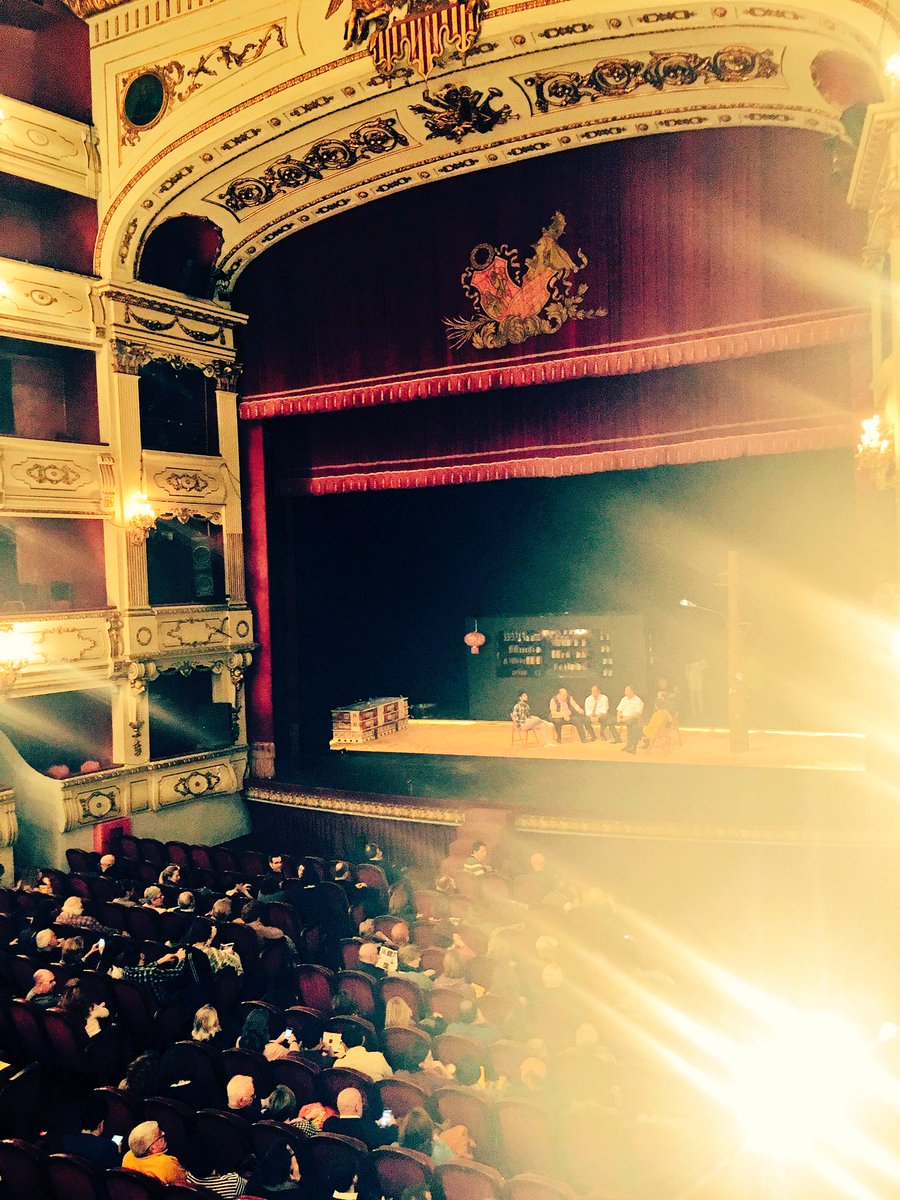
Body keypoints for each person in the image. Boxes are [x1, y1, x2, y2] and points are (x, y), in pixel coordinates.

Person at [323, 1086, 398, 1148]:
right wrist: (393, 1125)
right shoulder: (367, 1128)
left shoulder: (329, 1124)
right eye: (361, 1102)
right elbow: (388, 1137)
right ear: (356, 1106)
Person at [61, 1095, 121, 1170]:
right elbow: (115, 1172)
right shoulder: (109, 1147)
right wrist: (118, 1152)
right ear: (101, 1124)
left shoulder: (66, 1141)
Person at [122, 1120, 187, 1185]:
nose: (163, 1133)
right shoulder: (167, 1164)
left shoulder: (127, 1157)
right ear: (152, 1148)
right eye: (160, 1135)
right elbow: (185, 1185)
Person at [616, 685, 645, 754]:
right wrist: (618, 717)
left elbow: (638, 713)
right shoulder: (623, 699)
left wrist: (627, 718)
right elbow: (619, 710)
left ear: (632, 691)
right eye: (625, 690)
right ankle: (626, 743)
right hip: (624, 717)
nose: (625, 691)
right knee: (610, 720)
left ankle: (630, 745)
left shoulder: (637, 700)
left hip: (633, 718)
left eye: (627, 690)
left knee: (630, 723)